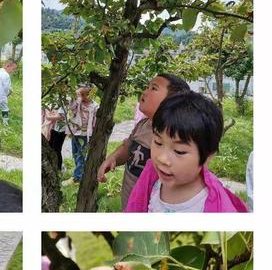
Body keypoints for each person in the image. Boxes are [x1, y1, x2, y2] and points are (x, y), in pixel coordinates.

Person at [125, 91, 248, 213]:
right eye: (158, 142)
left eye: (179, 151)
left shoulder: (218, 209)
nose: (162, 158)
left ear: (208, 156)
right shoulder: (151, 174)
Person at [98, 74, 190, 208]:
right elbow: (128, 147)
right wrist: (114, 158)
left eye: (153, 88)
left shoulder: (175, 137)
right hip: (129, 204)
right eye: (147, 87)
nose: (145, 92)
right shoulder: (143, 124)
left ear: (172, 101)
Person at [62, 86, 99, 186]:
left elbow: (95, 121)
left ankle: (77, 177)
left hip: (85, 135)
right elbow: (71, 108)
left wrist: (93, 134)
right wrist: (78, 100)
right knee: (75, 153)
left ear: (89, 95)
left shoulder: (94, 106)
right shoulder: (78, 104)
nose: (80, 97)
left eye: (82, 95)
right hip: (75, 133)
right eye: (79, 95)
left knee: (81, 156)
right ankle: (80, 173)